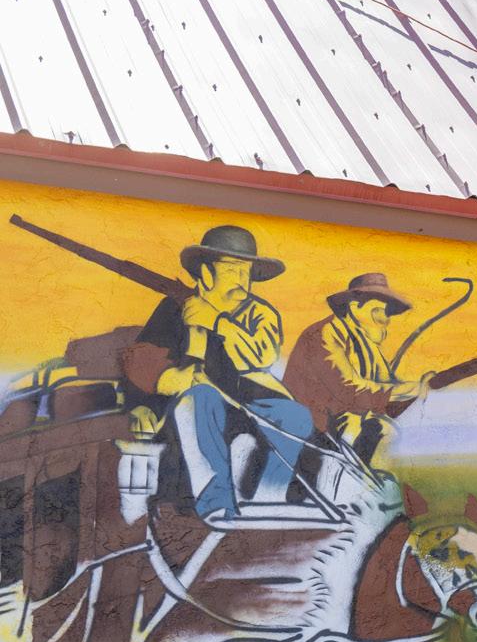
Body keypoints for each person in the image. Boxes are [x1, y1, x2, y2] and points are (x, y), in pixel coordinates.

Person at [120, 225, 312, 525]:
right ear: (206, 272)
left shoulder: (260, 313)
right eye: (232, 270)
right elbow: (142, 357)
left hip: (248, 402)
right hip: (197, 403)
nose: (242, 280)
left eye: (246, 272)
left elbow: (260, 355)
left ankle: (269, 497)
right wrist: (159, 388)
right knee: (200, 398)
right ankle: (215, 502)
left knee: (296, 416)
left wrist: (217, 322)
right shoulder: (175, 307)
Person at [284, 272, 429, 461]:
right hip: (309, 429)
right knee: (369, 429)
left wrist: (418, 390)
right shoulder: (325, 333)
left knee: (385, 431)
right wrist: (406, 390)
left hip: (342, 427)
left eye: (386, 312)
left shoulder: (368, 344)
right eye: (378, 310)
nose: (385, 319)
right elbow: (347, 390)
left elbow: (386, 401)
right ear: (354, 307)